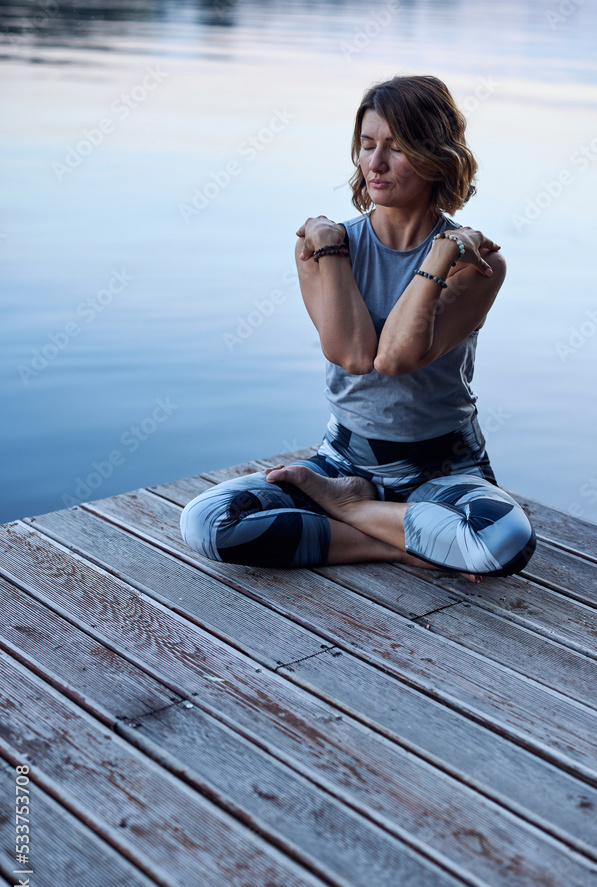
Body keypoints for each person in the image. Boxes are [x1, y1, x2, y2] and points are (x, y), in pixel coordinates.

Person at [180, 74, 536, 582]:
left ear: (436, 155)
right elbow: (352, 355)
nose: (375, 163)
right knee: (206, 523)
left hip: (445, 467)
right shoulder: (325, 246)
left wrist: (437, 256)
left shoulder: (475, 262)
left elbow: (396, 359)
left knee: (502, 541)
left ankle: (348, 511)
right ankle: (406, 544)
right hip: (345, 458)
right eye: (367, 146)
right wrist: (331, 252)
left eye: (396, 148)